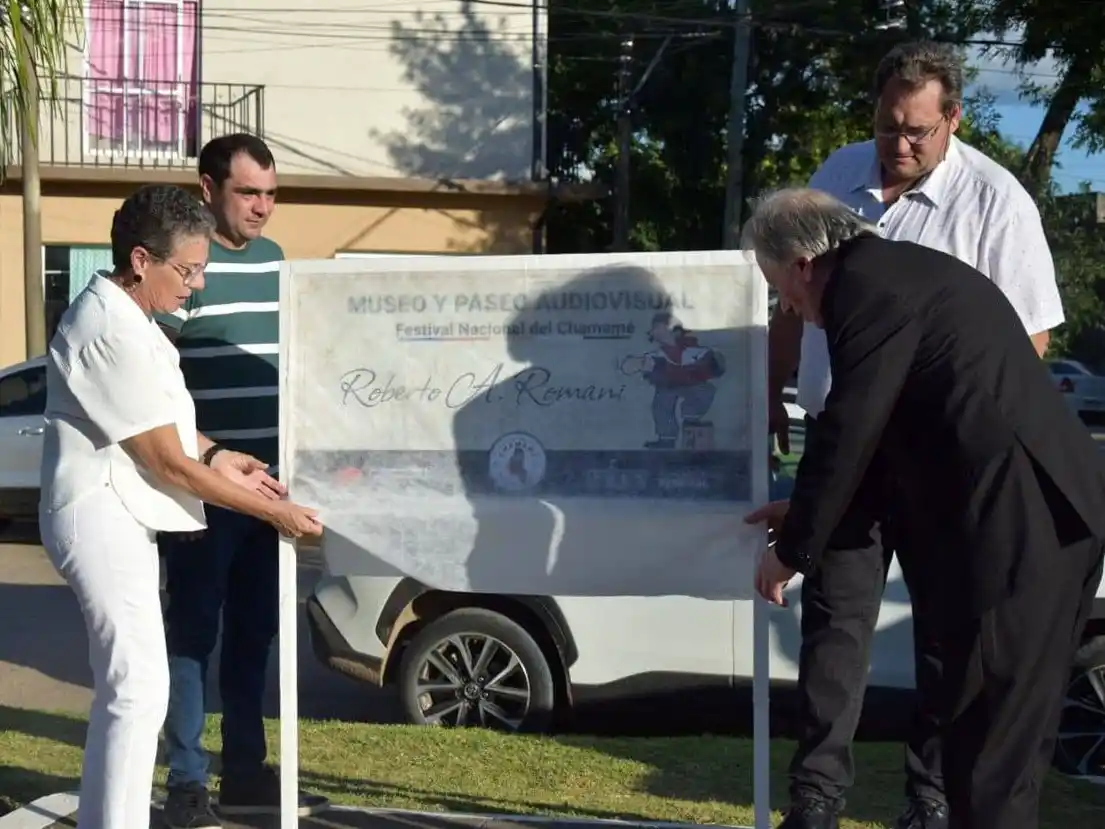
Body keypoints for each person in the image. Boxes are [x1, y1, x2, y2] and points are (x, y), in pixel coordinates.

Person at [764, 41, 1065, 829]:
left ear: (953, 118)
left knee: (944, 627)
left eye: (916, 131)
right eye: (886, 125)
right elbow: (790, 293)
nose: (897, 145)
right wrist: (769, 384)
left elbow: (1026, 342)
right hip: (841, 440)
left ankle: (928, 798)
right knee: (833, 622)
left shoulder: (996, 200)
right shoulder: (836, 174)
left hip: (939, 457)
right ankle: (815, 797)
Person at [742, 188, 1105, 829]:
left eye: (780, 291)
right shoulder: (894, 274)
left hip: (1021, 526)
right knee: (991, 749)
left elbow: (852, 426)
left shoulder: (866, 289)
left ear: (801, 263)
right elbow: (877, 441)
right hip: (1043, 518)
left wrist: (792, 550)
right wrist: (803, 510)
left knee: (991, 752)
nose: (788, 307)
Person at [39, 183, 322, 829]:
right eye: (188, 271)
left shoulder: (131, 317)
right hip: (98, 515)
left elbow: (164, 421)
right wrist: (270, 512)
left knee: (129, 689)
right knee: (137, 689)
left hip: (121, 516)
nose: (196, 285)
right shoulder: (106, 327)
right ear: (141, 260)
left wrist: (219, 453)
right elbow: (165, 461)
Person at [153, 135, 328, 828]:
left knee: (255, 633)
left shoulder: (276, 261)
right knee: (193, 633)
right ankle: (187, 784)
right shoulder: (185, 269)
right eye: (248, 192)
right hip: (203, 489)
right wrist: (205, 459)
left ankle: (246, 773)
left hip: (269, 489)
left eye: (271, 194)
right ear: (209, 189)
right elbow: (154, 379)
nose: (262, 207)